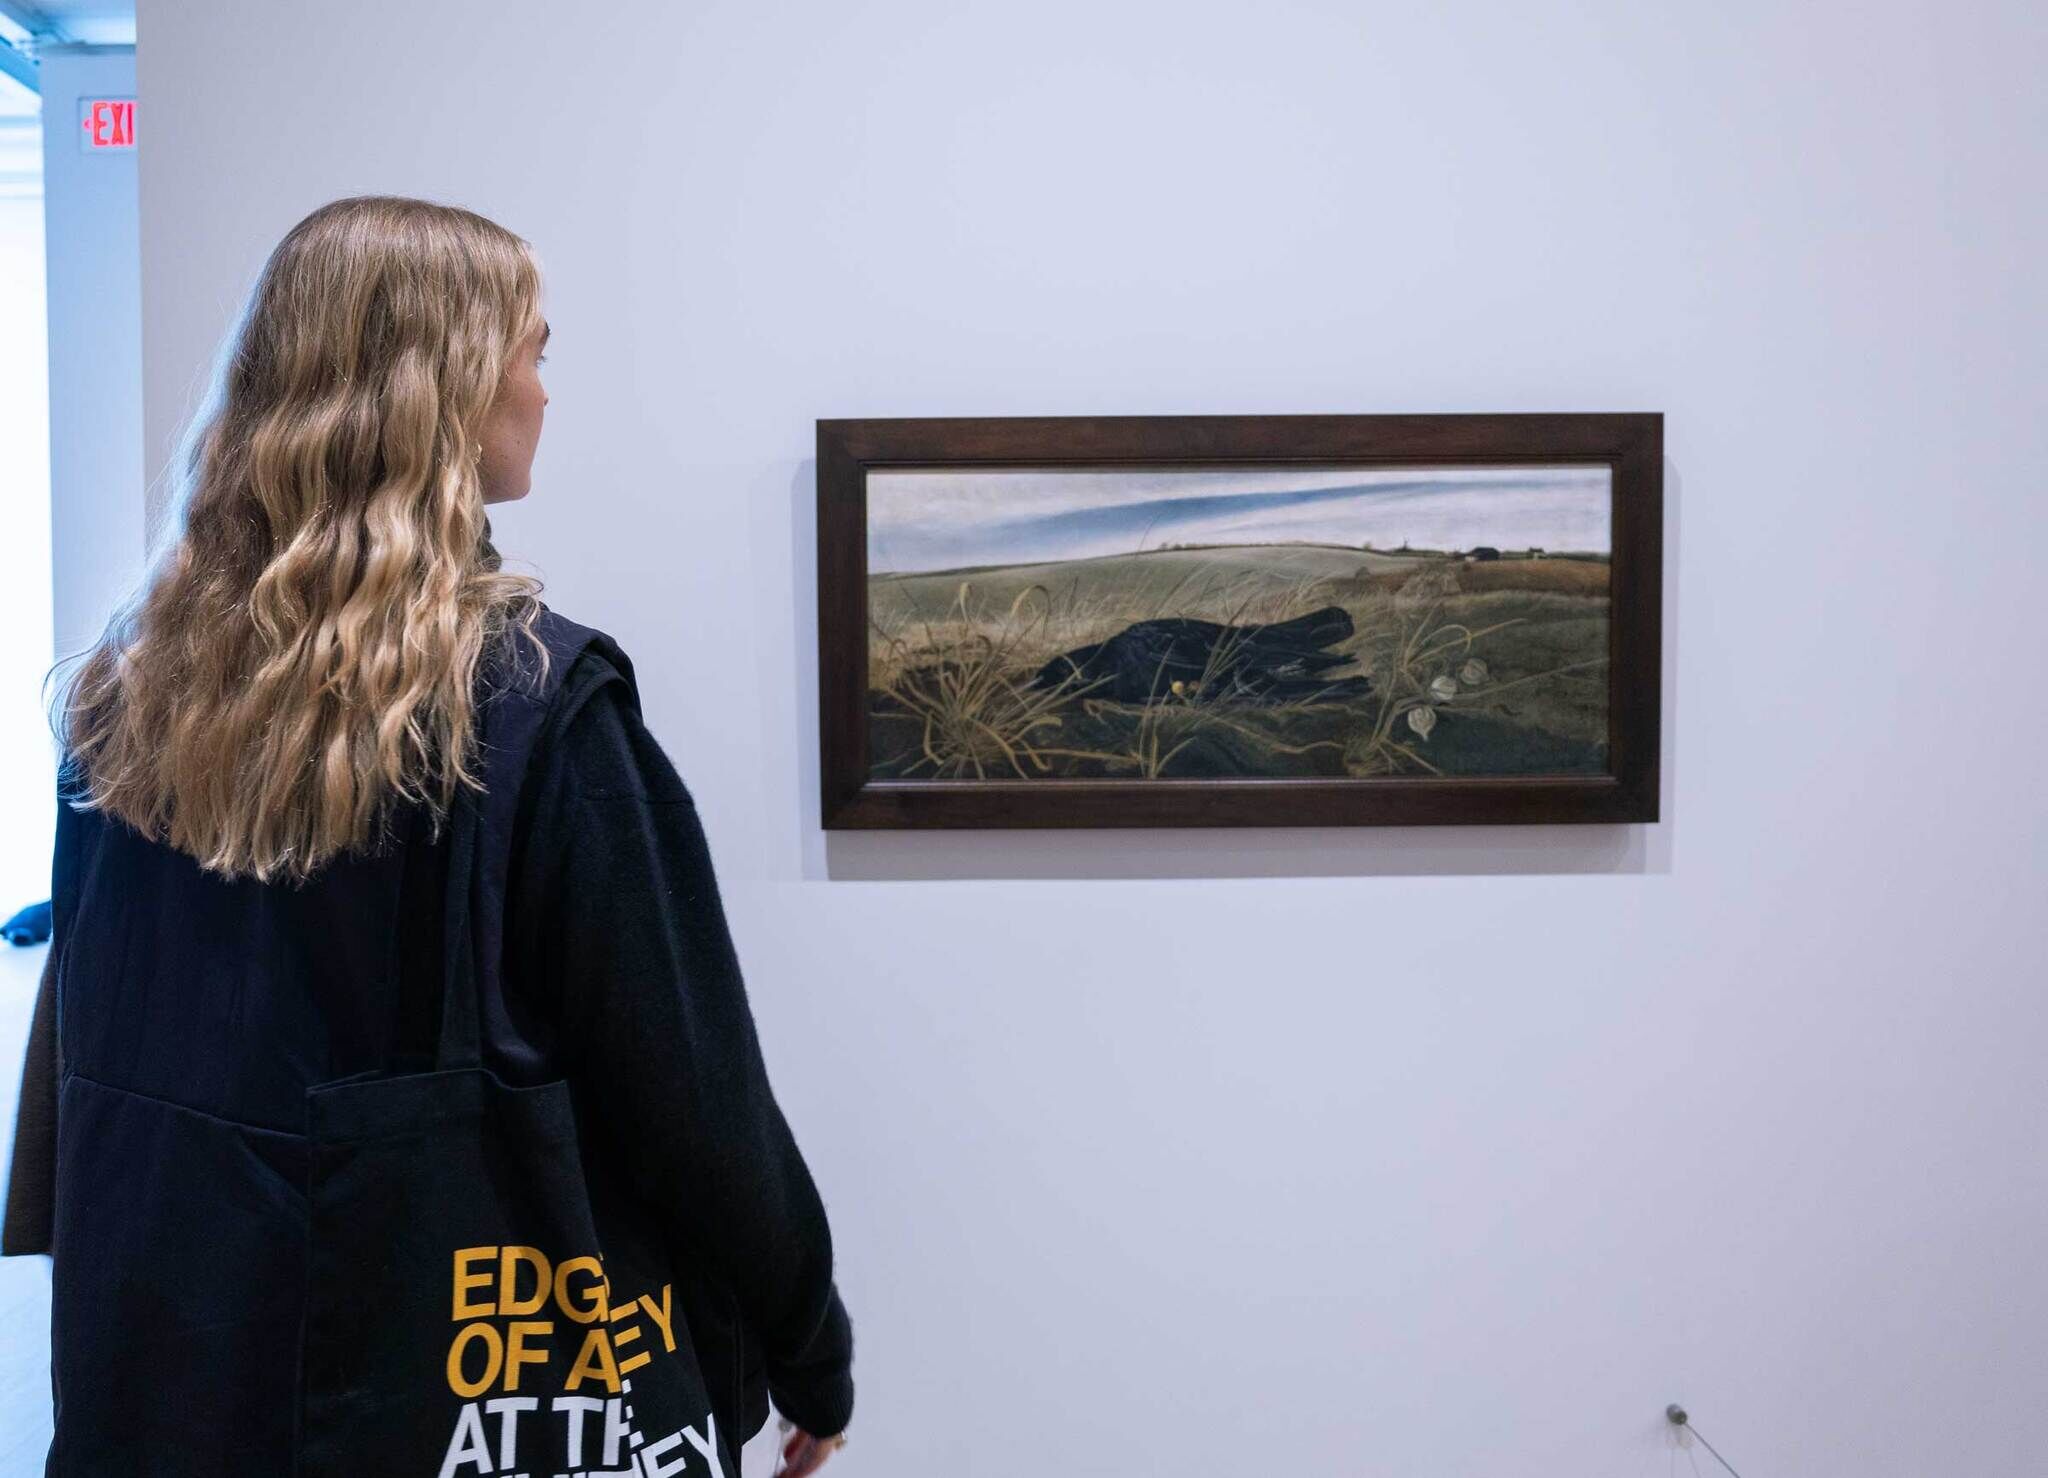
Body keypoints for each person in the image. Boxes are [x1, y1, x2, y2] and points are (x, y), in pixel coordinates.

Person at [2, 194, 852, 1477]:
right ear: (446, 389)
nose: (545, 391)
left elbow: (87, 1063)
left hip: (173, 1384)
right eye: (533, 352)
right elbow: (695, 1091)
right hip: (441, 1399)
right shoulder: (534, 708)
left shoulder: (128, 701)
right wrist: (810, 1347)